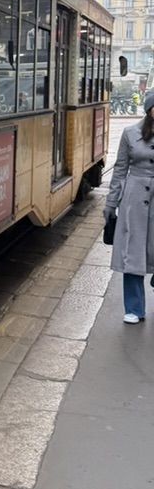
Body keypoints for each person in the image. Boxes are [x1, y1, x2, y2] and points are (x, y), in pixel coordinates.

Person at [104, 88, 154, 323]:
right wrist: (111, 203)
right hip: (134, 201)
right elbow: (120, 170)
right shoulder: (130, 133)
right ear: (149, 109)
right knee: (132, 254)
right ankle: (134, 309)